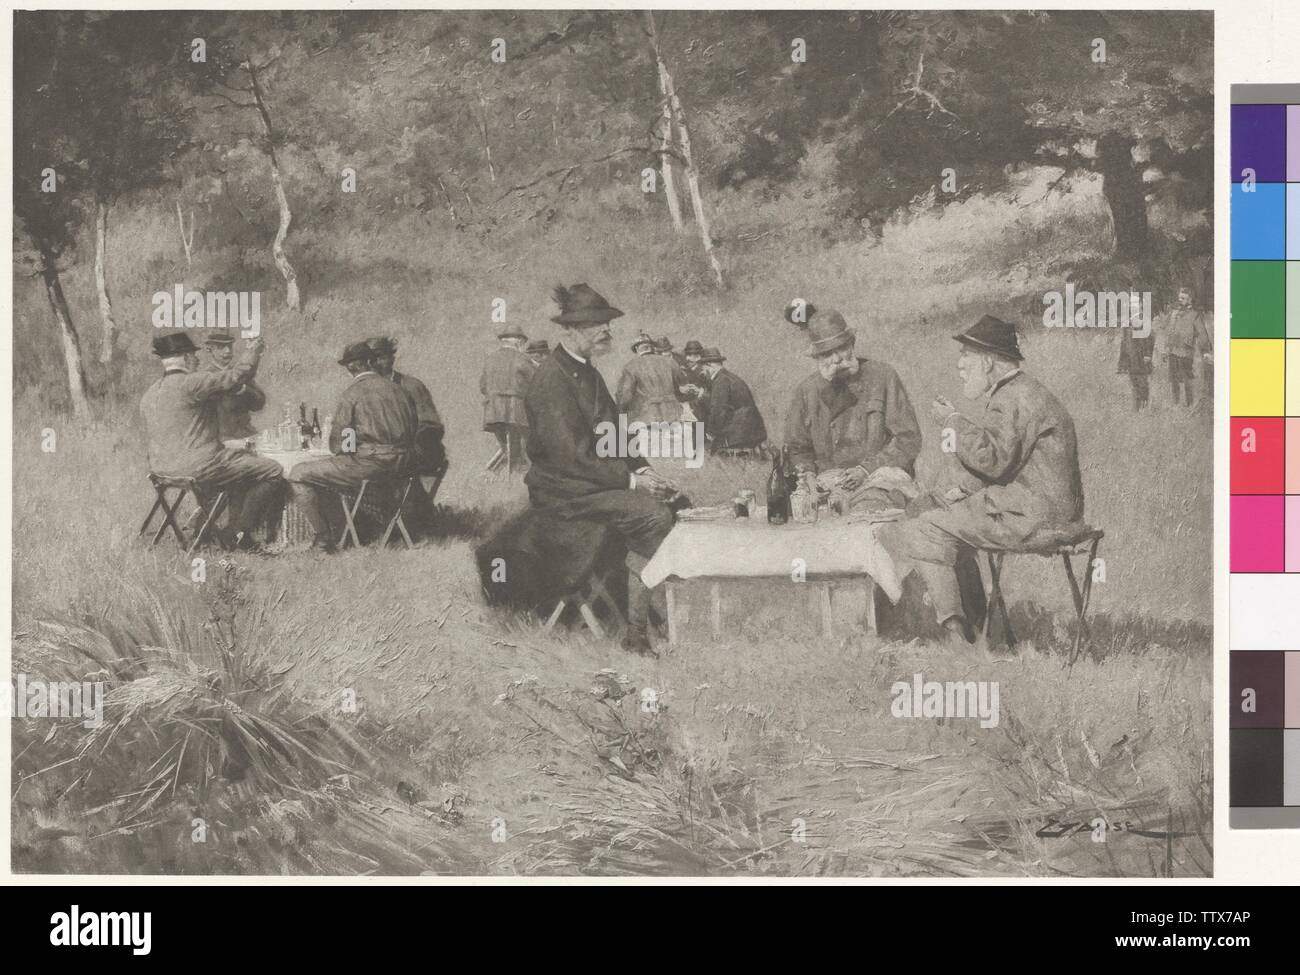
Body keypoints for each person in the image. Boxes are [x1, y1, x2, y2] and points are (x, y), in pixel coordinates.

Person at [883, 316, 1085, 647]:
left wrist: (952, 421)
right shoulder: (1024, 391)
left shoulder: (1012, 398)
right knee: (946, 519)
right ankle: (982, 630)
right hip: (1045, 511)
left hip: (1033, 519)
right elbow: (1008, 464)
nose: (960, 366)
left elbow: (992, 460)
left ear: (988, 362)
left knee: (924, 526)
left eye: (966, 355)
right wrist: (956, 491)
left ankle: (957, 636)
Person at [525, 283, 678, 655]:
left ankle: (654, 616)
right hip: (563, 497)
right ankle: (638, 632)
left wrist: (644, 472)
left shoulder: (587, 373)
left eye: (607, 322)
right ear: (569, 331)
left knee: (677, 502)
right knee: (652, 515)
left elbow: (614, 436)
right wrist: (632, 483)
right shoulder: (550, 379)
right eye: (596, 324)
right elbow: (571, 459)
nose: (606, 330)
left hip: (591, 488)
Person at [140, 332, 285, 551]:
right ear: (186, 356)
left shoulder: (150, 393)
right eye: (193, 356)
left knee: (239, 469)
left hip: (161, 471)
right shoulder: (191, 382)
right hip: (198, 467)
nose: (197, 361)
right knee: (272, 470)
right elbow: (238, 374)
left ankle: (208, 531)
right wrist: (253, 350)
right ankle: (239, 533)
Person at [782, 305, 922, 511]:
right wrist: (809, 478)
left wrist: (865, 470)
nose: (837, 359)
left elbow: (908, 440)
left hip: (879, 477)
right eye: (827, 354)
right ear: (817, 358)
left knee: (870, 507)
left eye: (841, 348)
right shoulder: (807, 391)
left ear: (852, 344)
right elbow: (797, 449)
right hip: (830, 482)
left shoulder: (883, 376)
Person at [288, 341, 418, 552]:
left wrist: (350, 448)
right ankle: (345, 530)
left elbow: (341, 445)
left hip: (371, 466)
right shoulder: (399, 391)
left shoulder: (352, 394)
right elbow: (413, 430)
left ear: (350, 367)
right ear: (370, 362)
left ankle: (323, 538)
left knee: (298, 473)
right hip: (403, 467)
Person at [366, 336, 446, 475]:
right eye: (370, 360)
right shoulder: (366, 390)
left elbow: (431, 427)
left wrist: (405, 452)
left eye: (379, 357)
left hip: (412, 458)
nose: (375, 364)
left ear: (391, 358)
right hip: (382, 457)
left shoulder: (411, 386)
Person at [481, 325, 535, 473]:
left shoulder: (490, 359)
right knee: (522, 451)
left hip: (493, 412)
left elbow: (483, 386)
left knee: (508, 449)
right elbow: (536, 383)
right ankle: (514, 480)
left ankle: (492, 474)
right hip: (516, 411)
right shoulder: (523, 359)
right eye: (522, 343)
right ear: (517, 341)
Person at [695, 347, 767, 454]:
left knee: (708, 452)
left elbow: (718, 410)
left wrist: (710, 433)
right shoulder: (726, 376)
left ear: (710, 366)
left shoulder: (721, 381)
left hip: (741, 431)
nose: (702, 372)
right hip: (752, 428)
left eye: (703, 368)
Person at [203, 331, 266, 441]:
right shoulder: (206, 377)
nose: (227, 351)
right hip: (221, 439)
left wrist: (244, 390)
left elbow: (259, 403)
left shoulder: (241, 372)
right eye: (221, 347)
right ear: (210, 349)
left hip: (246, 434)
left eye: (229, 346)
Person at [1157, 286, 1213, 408]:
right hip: (1172, 351)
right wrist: (1164, 349)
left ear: (1190, 299)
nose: (1180, 299)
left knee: (1187, 379)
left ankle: (1189, 404)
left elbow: (1202, 334)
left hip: (1186, 352)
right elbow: (1165, 330)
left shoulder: (1194, 315)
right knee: (1173, 380)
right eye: (1179, 297)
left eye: (1183, 298)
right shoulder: (1173, 313)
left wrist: (1206, 351)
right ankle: (1175, 404)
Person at [615, 331, 687, 426]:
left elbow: (624, 397)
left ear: (636, 348)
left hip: (646, 419)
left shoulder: (630, 366)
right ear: (651, 346)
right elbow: (684, 386)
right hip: (674, 415)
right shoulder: (670, 361)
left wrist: (621, 412)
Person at [1117, 311, 1155, 411]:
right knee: (1134, 383)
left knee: (1143, 382)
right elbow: (1124, 344)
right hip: (1131, 359)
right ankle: (1136, 408)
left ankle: (1144, 405)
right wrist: (1122, 362)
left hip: (1141, 358)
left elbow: (1150, 339)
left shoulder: (1145, 322)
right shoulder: (1126, 325)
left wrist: (1147, 354)